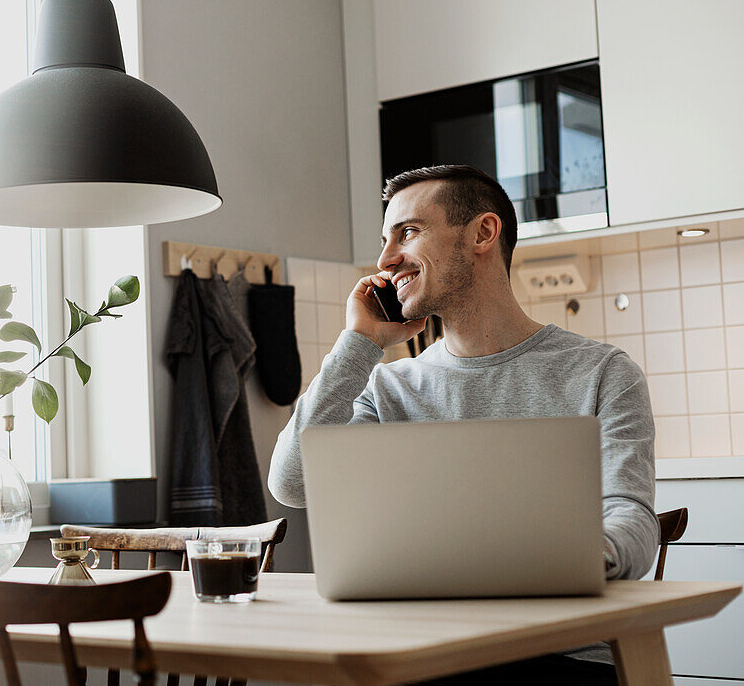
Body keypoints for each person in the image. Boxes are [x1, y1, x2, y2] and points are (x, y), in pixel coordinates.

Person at [268, 165, 657, 685]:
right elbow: (291, 484)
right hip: (419, 652)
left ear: (483, 233)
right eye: (385, 240)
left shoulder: (604, 373)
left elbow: (630, 517)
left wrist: (557, 563)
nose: (385, 260)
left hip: (560, 657)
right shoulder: (388, 388)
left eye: (408, 232)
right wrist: (358, 344)